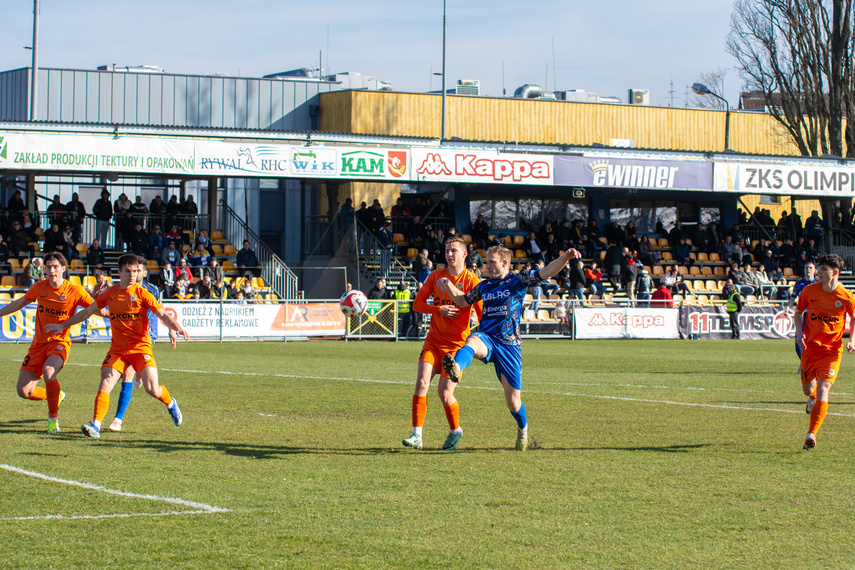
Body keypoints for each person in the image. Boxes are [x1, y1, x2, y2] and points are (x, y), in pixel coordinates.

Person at [438, 245, 582, 451]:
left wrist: (566, 256)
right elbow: (462, 300)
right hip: (486, 338)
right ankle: (456, 369)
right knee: (471, 341)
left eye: (491, 262)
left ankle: (522, 430)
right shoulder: (484, 286)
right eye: (486, 262)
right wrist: (448, 285)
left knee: (514, 403)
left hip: (509, 346)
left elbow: (548, 271)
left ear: (505, 263)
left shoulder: (518, 280)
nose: (486, 266)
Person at [44, 254, 189, 438]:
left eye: (135, 271)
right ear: (119, 272)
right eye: (128, 271)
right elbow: (88, 312)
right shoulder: (110, 294)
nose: (132, 275)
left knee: (152, 388)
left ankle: (170, 403)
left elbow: (163, 315)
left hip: (140, 348)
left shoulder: (143, 294)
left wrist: (177, 328)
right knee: (106, 380)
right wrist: (63, 325)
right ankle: (95, 425)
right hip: (118, 350)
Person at [402, 237, 482, 451]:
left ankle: (455, 430)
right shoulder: (435, 276)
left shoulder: (472, 282)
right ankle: (417, 435)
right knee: (421, 383)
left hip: (457, 346)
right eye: (447, 250)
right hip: (433, 342)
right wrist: (439, 309)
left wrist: (483, 344)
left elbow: (483, 316)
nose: (449, 254)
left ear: (464, 254)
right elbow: (418, 305)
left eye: (454, 250)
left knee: (445, 394)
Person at [0, 253, 93, 433]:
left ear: (63, 269)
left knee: (49, 371)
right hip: (38, 345)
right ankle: (56, 396)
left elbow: (95, 307)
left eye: (55, 267)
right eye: (49, 267)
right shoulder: (39, 287)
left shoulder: (74, 290)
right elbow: (19, 303)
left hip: (59, 343)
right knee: (24, 391)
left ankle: (53, 421)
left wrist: (112, 309)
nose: (52, 270)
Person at [795, 254, 855, 450]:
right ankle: (811, 399)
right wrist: (798, 334)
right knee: (807, 389)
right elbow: (798, 312)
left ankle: (811, 434)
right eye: (819, 268)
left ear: (835, 273)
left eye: (823, 269)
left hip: (832, 351)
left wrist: (852, 340)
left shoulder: (846, 296)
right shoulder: (809, 290)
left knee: (823, 389)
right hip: (810, 349)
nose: (819, 272)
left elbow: (854, 318)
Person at [106, 268, 162, 432]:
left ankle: (118, 419)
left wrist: (172, 328)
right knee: (124, 374)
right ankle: (139, 371)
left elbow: (160, 307)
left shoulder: (152, 289)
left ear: (144, 273)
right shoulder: (119, 289)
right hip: (125, 337)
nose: (134, 274)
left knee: (127, 374)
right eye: (132, 270)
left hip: (146, 335)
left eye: (138, 270)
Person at [788, 261, 817, 357]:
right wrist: (788, 308)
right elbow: (793, 297)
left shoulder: (818, 284)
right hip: (801, 315)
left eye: (810, 268)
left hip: (814, 316)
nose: (808, 270)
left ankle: (807, 363)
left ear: (815, 270)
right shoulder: (799, 283)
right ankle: (804, 361)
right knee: (798, 340)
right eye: (806, 268)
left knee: (813, 340)